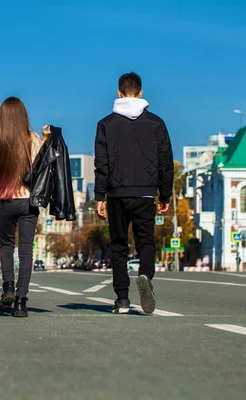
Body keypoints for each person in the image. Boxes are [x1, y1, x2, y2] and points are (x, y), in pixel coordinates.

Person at [94, 72, 174, 314]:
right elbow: (165, 162)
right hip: (146, 194)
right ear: (140, 93)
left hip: (117, 195)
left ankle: (122, 300)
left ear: (119, 93)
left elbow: (102, 163)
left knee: (119, 246)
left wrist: (100, 197)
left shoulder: (105, 125)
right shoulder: (156, 124)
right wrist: (165, 195)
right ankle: (145, 277)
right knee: (146, 242)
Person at [0, 97, 50, 317]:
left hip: (5, 200)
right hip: (28, 201)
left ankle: (7, 287)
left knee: (7, 245)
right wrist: (46, 138)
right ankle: (21, 302)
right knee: (26, 250)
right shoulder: (33, 139)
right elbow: (42, 160)